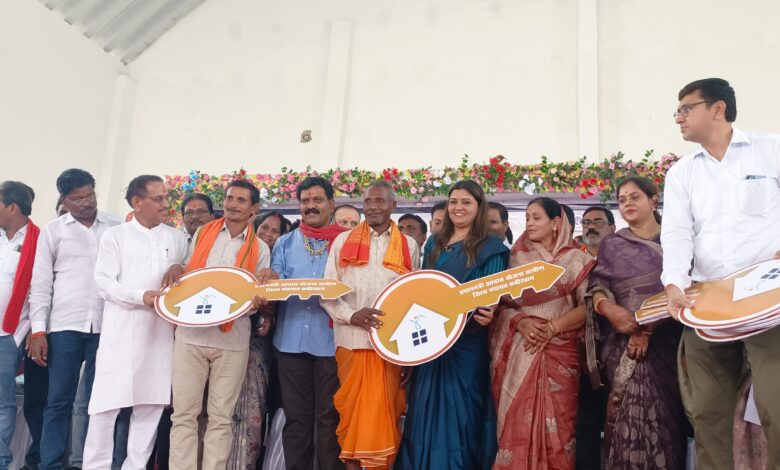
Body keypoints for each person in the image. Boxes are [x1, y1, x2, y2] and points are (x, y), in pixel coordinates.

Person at [662, 78, 780, 469]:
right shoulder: (682, 172)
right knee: (707, 412)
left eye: (686, 108)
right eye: (677, 111)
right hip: (706, 299)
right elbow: (677, 234)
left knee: (776, 405)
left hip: (768, 298)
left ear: (718, 108)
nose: (678, 118)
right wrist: (674, 283)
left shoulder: (771, 149)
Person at [396, 180, 508, 470]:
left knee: (460, 417)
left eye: (466, 202)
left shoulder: (492, 249)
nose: (458, 207)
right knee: (422, 413)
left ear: (479, 207)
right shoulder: (434, 243)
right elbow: (422, 289)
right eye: (453, 201)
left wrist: (490, 309)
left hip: (466, 344)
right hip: (429, 343)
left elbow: (490, 297)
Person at [82, 175, 188, 469]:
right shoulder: (115, 236)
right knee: (105, 409)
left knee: (150, 407)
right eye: (158, 199)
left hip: (159, 337)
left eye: (167, 198)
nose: (165, 204)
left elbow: (188, 274)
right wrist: (141, 297)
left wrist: (180, 266)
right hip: (121, 334)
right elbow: (104, 283)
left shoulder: (177, 239)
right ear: (137, 202)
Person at [167, 180, 271, 470]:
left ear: (254, 209)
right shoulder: (203, 233)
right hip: (190, 336)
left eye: (241, 200)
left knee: (221, 419)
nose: (232, 204)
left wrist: (257, 300)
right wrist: (177, 267)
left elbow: (256, 292)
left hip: (232, 340)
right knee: (183, 416)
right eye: (229, 198)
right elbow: (188, 272)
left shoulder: (261, 247)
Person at [489, 197, 595, 469]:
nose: (529, 223)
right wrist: (521, 322)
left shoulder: (577, 259)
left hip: (561, 352)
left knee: (559, 428)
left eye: (536, 218)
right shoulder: (515, 260)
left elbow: (589, 308)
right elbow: (500, 308)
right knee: (516, 422)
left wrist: (552, 328)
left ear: (556, 223)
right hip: (521, 349)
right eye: (527, 218)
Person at [588, 177, 685, 469]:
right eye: (622, 200)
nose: (627, 203)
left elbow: (686, 287)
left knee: (665, 421)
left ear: (653, 200)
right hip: (620, 343)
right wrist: (609, 309)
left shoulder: (676, 240)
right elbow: (598, 285)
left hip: (666, 343)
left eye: (634, 197)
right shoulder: (612, 244)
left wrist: (646, 329)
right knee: (622, 421)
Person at [321, 181, 420, 469]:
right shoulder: (342, 241)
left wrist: (409, 354)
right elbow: (328, 292)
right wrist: (352, 315)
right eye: (368, 201)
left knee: (385, 414)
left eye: (380, 201)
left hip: (390, 348)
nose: (373, 207)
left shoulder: (409, 245)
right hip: (351, 342)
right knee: (351, 418)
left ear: (393, 206)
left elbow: (414, 298)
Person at [27, 169, 120, 470]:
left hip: (106, 325)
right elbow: (41, 284)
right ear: (64, 200)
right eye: (78, 198)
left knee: (98, 402)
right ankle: (50, 464)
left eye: (90, 195)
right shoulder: (53, 231)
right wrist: (38, 331)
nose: (86, 203)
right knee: (58, 400)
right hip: (65, 326)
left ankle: (90, 463)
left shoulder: (115, 227)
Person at [270, 177, 347, 470]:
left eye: (317, 200)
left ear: (331, 204)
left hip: (331, 344)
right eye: (305, 201)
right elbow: (275, 286)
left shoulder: (347, 242)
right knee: (296, 420)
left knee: (330, 419)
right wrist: (270, 283)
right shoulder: (285, 243)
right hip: (290, 343)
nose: (310, 206)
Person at [227, 210, 291, 470]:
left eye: (275, 231)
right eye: (264, 227)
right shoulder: (240, 255)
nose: (268, 234)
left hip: (262, 348)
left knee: (253, 411)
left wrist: (270, 309)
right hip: (228, 339)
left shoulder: (281, 265)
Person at [0, 181, 38, 470]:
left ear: (12, 207)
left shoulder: (40, 240)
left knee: (2, 403)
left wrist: (23, 334)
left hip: (8, 335)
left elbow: (40, 291)